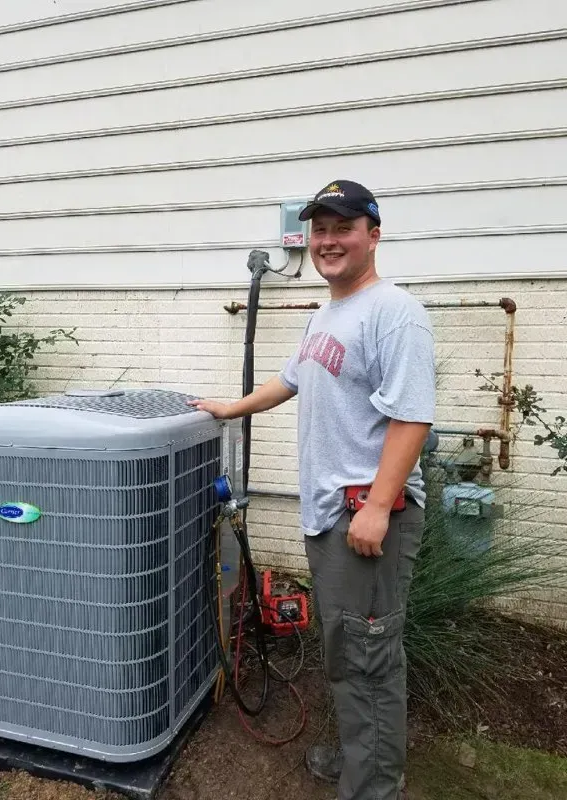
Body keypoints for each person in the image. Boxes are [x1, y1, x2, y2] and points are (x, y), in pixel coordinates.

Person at [188, 179, 436, 800]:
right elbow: (291, 379)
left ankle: (374, 786)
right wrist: (230, 406)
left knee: (368, 658)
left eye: (343, 228)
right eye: (319, 230)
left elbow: (413, 418)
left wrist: (379, 507)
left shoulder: (394, 312)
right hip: (332, 515)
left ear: (373, 235)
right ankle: (361, 760)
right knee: (345, 646)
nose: (328, 241)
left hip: (368, 517)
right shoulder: (328, 312)